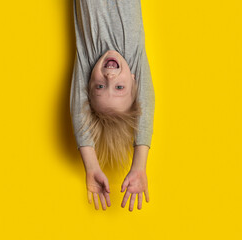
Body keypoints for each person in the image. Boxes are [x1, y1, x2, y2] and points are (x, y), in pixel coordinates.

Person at [69, 0, 155, 211]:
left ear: (87, 82)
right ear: (135, 80)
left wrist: (91, 165)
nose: (109, 75)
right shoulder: (134, 57)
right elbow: (146, 104)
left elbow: (79, 110)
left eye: (99, 86)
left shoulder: (88, 57)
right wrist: (139, 165)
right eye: (119, 87)